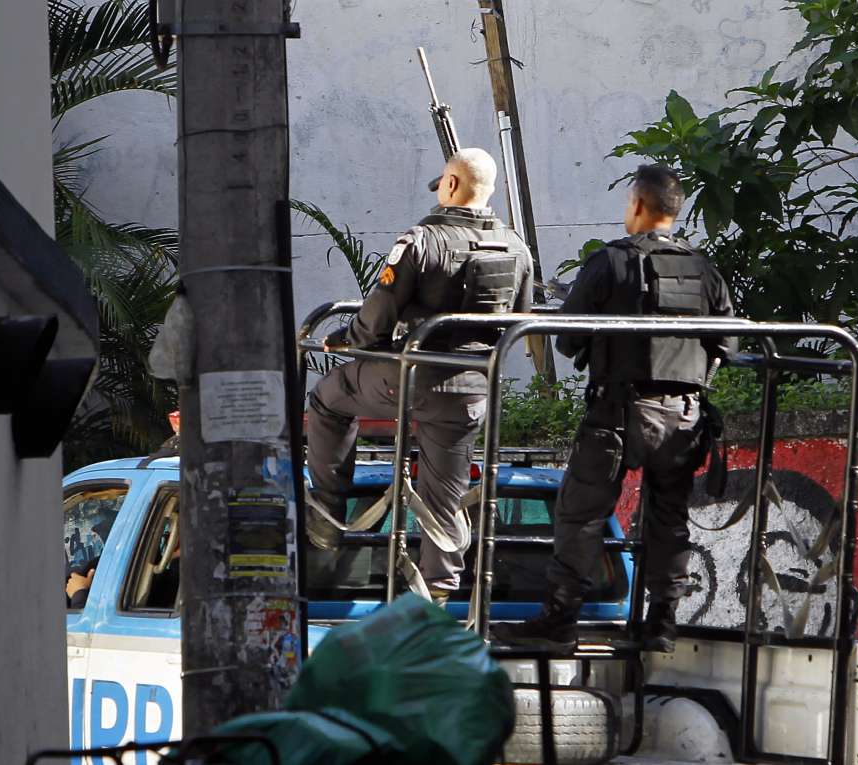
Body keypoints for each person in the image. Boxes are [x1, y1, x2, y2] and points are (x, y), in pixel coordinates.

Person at [492, 163, 735, 653]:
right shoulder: (703, 269)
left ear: (638, 204)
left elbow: (567, 341)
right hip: (684, 417)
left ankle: (559, 620)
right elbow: (727, 344)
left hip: (618, 414)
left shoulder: (611, 262)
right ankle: (661, 624)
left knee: (580, 513)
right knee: (669, 518)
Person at [305, 147, 534, 606]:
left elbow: (379, 313)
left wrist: (350, 340)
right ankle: (439, 595)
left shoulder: (422, 240)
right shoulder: (517, 247)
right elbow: (520, 320)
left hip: (409, 377)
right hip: (471, 389)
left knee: (327, 399)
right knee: (443, 495)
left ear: (450, 184)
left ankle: (327, 516)